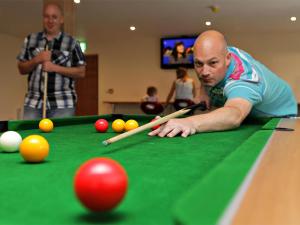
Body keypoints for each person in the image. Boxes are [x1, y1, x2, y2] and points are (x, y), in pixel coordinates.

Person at [150, 30, 297, 138]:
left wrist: (191, 123)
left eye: (212, 63)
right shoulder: (219, 54)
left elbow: (234, 114)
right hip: (251, 115)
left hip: (281, 117)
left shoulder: (244, 78)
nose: (204, 72)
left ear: (227, 58)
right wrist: (203, 91)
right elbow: (206, 67)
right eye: (198, 64)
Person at [17, 3, 86, 119]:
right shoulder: (30, 40)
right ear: (43, 18)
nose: (50, 20)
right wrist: (36, 60)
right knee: (31, 137)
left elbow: (81, 72)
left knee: (61, 137)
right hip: (33, 102)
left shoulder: (72, 42)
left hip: (63, 103)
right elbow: (21, 68)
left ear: (61, 19)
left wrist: (54, 68)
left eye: (54, 17)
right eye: (46, 16)